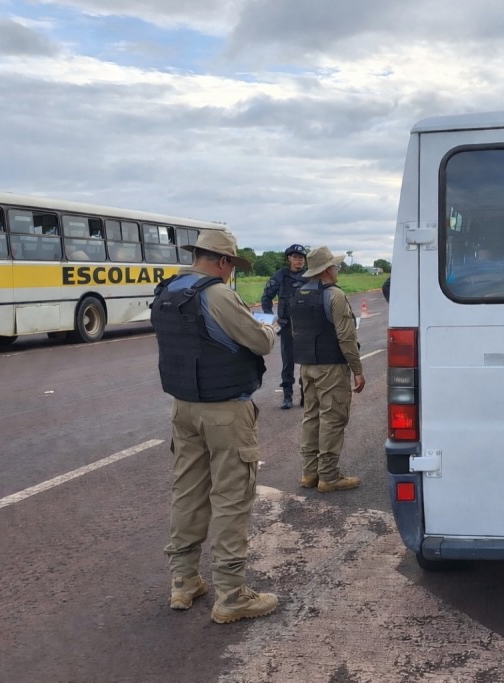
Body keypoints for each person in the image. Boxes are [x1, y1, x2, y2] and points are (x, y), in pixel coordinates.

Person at [150, 229, 279, 624]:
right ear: (223, 262)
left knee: (187, 492)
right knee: (231, 497)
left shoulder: (169, 290)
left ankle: (184, 582)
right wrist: (269, 327)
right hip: (224, 410)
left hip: (183, 407)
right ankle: (231, 594)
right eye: (231, 265)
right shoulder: (218, 293)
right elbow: (259, 342)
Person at [289, 245, 365, 492]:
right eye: (335, 265)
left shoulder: (298, 294)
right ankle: (329, 476)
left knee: (311, 416)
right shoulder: (334, 295)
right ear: (327, 270)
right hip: (331, 366)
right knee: (333, 418)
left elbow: (295, 333)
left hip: (307, 366)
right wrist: (357, 369)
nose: (337, 269)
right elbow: (346, 337)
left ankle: (309, 473)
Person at [261, 244, 308, 409]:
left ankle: (305, 396)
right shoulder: (281, 275)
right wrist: (270, 318)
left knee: (306, 361)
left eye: (301, 258)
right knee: (288, 361)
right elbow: (266, 297)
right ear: (289, 258)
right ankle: (287, 396)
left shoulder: (309, 276)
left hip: (305, 326)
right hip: (286, 325)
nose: (298, 260)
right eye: (295, 257)